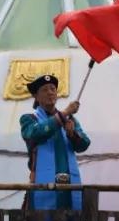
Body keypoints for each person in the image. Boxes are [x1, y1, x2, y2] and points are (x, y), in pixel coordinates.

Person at [19, 75, 89, 211]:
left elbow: (85, 144)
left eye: (52, 89)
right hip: (42, 186)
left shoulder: (70, 120)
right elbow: (35, 133)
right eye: (45, 90)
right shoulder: (29, 119)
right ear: (36, 96)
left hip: (69, 188)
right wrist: (65, 113)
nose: (50, 92)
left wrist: (72, 135)